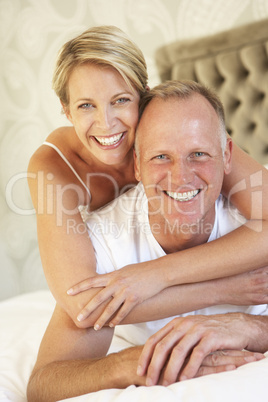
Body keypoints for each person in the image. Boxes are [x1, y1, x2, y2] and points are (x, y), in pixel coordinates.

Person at [27, 80, 268, 402]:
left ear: (226, 155)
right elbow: (44, 384)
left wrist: (251, 328)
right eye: (160, 157)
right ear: (137, 166)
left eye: (199, 154)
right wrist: (130, 363)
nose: (181, 177)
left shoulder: (256, 212)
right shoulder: (104, 244)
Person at [27, 25, 268, 332]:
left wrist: (158, 273)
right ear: (66, 110)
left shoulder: (176, 128)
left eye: (121, 100)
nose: (106, 124)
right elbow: (83, 305)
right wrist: (222, 289)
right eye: (86, 105)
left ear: (143, 95)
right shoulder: (53, 167)